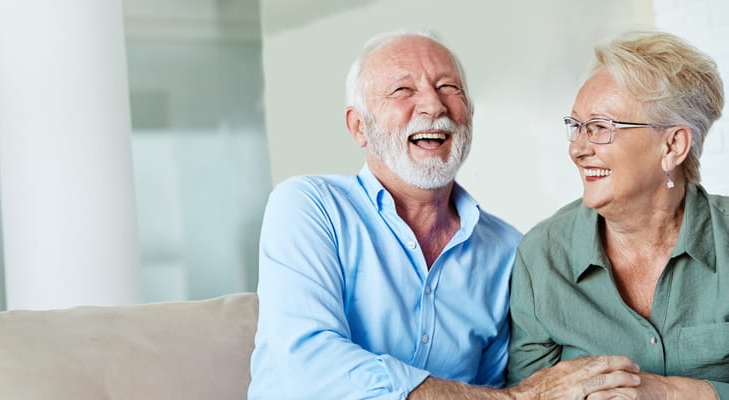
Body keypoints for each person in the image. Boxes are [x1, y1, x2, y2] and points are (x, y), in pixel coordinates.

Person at [248, 29, 642, 400]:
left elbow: (489, 387)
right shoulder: (309, 207)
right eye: (403, 90)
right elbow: (308, 367)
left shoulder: (507, 250)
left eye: (449, 88)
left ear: (469, 113)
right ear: (358, 127)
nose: (434, 106)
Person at [508, 30, 728, 399]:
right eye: (576, 127)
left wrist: (673, 393)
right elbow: (528, 394)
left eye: (600, 128)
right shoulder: (542, 257)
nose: (578, 149)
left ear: (672, 145)